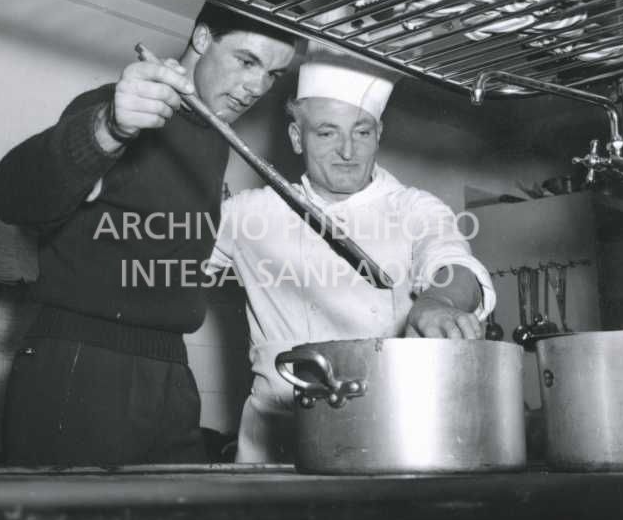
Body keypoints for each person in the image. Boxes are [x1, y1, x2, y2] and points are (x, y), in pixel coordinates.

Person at [0, 0, 297, 466]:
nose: (257, 87)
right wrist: (107, 128)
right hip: (86, 360)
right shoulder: (116, 107)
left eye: (272, 74)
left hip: (169, 367)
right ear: (202, 38)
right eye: (247, 61)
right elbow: (10, 196)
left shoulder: (214, 137)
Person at [205, 44, 496, 463]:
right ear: (296, 138)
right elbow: (169, 264)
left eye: (362, 132)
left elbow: (452, 263)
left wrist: (440, 302)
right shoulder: (249, 213)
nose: (348, 151)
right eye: (327, 133)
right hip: (275, 440)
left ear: (379, 133)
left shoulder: (414, 207)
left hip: (386, 431)